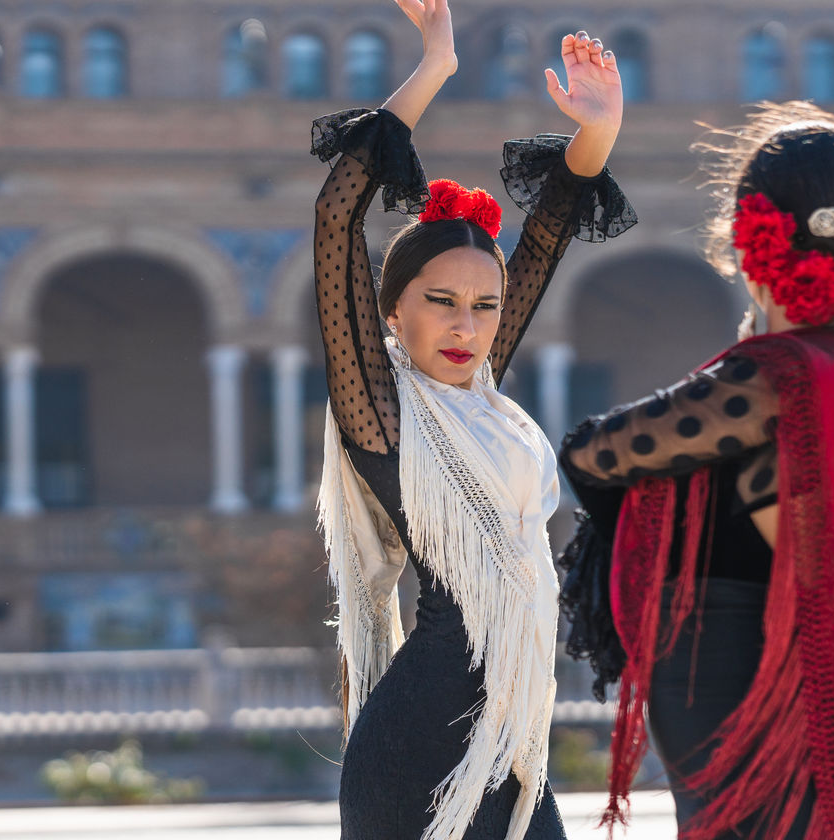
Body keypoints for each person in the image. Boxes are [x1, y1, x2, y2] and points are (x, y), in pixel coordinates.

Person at [556, 102, 834, 840]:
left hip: (742, 704)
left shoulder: (774, 379)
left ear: (748, 238)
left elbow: (592, 453)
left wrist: (753, 346)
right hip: (779, 707)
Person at [310, 1, 635, 837]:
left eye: (486, 307)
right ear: (393, 311)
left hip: (511, 745)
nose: (467, 326)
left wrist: (599, 128)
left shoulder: (483, 403)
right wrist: (436, 67)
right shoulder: (381, 413)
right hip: (420, 751)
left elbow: (553, 226)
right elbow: (338, 214)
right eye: (442, 303)